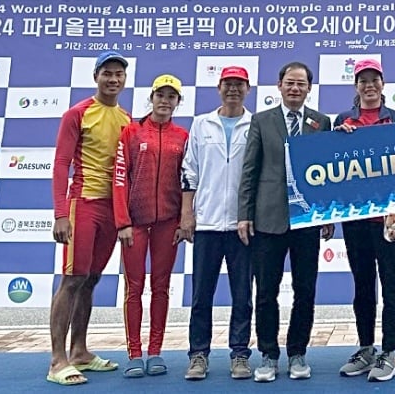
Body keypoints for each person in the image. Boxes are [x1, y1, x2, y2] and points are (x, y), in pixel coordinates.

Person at [237, 61, 333, 383]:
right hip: (267, 219)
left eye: (301, 84)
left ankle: (297, 353)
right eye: (289, 83)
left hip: (307, 220)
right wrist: (244, 214)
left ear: (309, 88)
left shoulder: (321, 123)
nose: (295, 88)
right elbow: (250, 170)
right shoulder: (261, 121)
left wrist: (329, 213)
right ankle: (268, 353)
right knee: (266, 291)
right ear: (279, 86)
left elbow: (329, 173)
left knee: (305, 290)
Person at [47, 51, 131, 385]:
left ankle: (80, 351)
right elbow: (60, 163)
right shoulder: (77, 114)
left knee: (92, 279)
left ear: (124, 80)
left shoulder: (125, 119)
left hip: (112, 211)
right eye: (107, 73)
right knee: (71, 279)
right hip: (82, 205)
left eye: (119, 74)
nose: (113, 79)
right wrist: (60, 214)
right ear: (96, 76)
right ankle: (57, 360)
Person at [334, 59, 395, 383]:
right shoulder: (343, 121)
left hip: (389, 220)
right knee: (363, 286)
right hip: (355, 219)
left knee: (392, 286)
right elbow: (329, 167)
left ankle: (389, 352)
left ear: (382, 84)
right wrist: (337, 139)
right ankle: (366, 348)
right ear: (356, 86)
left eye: (373, 79)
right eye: (362, 80)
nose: (369, 85)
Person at [180, 66, 254, 381]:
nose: (233, 90)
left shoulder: (256, 125)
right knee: (201, 295)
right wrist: (187, 214)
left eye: (239, 85)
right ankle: (198, 355)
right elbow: (190, 171)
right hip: (207, 223)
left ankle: (240, 354)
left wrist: (250, 215)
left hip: (243, 225)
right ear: (219, 87)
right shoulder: (201, 124)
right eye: (228, 84)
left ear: (248, 89)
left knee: (242, 294)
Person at [112, 74, 188, 378]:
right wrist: (123, 222)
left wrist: (184, 220)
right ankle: (134, 352)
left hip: (168, 223)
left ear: (177, 102)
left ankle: (155, 351)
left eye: (171, 96)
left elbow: (188, 182)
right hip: (135, 225)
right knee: (134, 288)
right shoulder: (130, 132)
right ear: (152, 97)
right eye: (160, 95)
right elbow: (119, 179)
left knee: (161, 287)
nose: (165, 101)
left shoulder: (182, 136)